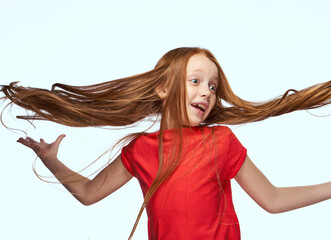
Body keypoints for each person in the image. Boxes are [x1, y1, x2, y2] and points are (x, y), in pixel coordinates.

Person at [1, 47, 331, 240]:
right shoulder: (142, 149)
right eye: (196, 81)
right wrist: (51, 160)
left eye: (213, 87)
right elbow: (89, 193)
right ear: (162, 88)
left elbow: (272, 199)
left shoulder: (221, 140)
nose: (207, 92)